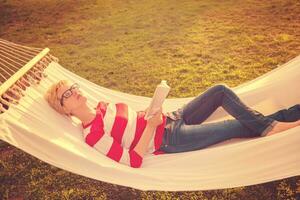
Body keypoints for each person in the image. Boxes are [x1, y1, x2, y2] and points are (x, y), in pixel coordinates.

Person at [44, 80, 300, 168]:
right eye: (67, 94)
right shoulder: (93, 135)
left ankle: (283, 118)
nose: (74, 92)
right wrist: (152, 127)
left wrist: (150, 111)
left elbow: (133, 121)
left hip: (173, 118)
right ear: (64, 110)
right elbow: (133, 160)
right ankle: (277, 125)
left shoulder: (103, 106)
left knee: (220, 91)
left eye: (73, 88)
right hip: (169, 139)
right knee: (235, 126)